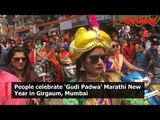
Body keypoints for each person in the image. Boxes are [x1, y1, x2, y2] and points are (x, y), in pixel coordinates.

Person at [63, 27, 121, 105]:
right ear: (82, 62)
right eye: (94, 58)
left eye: (103, 58)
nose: (100, 62)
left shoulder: (113, 79)